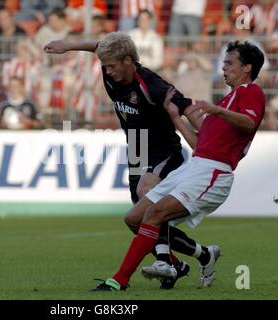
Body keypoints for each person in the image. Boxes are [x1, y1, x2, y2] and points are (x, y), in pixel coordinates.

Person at [87, 40, 265, 291]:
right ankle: (196, 257)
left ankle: (121, 280)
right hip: (196, 165)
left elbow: (249, 122)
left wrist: (216, 110)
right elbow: (198, 143)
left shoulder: (250, 92)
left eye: (229, 63)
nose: (223, 67)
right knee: (134, 217)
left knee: (154, 213)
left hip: (214, 172)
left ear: (247, 67)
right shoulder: (227, 101)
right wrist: (174, 116)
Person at [45, 32, 218, 289]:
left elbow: (185, 107)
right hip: (136, 147)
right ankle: (200, 255)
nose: (107, 70)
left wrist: (209, 139)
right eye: (105, 65)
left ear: (128, 60)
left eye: (112, 65)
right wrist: (69, 46)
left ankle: (164, 264)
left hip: (163, 150)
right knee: (136, 221)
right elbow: (99, 46)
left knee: (145, 194)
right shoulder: (110, 68)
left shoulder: (152, 85)